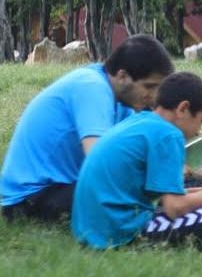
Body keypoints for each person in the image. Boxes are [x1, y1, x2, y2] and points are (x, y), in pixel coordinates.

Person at [1, 35, 174, 223]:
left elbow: (156, 152)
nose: (154, 96)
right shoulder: (92, 87)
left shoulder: (124, 104)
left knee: (164, 180)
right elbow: (99, 161)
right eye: (149, 87)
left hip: (65, 187)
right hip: (31, 199)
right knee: (135, 188)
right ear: (123, 76)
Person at [71, 72, 202, 249]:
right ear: (183, 109)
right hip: (117, 232)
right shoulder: (168, 135)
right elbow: (174, 207)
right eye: (201, 121)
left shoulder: (141, 121)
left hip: (90, 229)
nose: (198, 132)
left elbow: (166, 197)